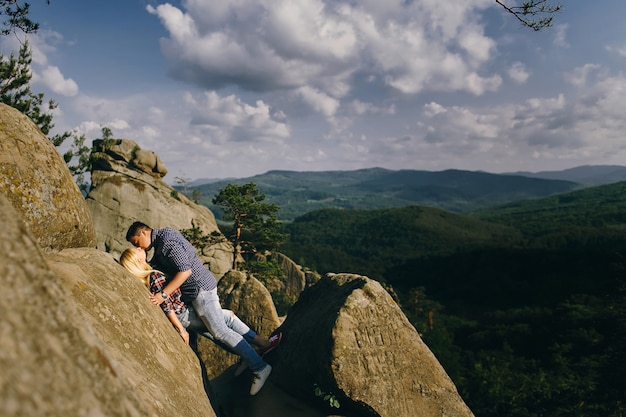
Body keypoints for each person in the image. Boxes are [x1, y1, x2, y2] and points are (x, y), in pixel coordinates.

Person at [126, 221, 276, 395]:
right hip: (195, 292)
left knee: (219, 331)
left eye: (136, 242)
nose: (138, 247)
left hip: (200, 290)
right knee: (220, 324)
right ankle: (254, 350)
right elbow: (157, 267)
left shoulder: (166, 242)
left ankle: (260, 367)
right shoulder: (161, 241)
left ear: (144, 233)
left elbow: (185, 271)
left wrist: (162, 295)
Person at [119, 247, 281, 363]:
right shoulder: (154, 276)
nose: (140, 248)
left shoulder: (151, 273)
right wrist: (181, 330)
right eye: (137, 250)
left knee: (224, 326)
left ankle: (256, 351)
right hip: (184, 315)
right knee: (228, 321)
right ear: (138, 260)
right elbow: (166, 305)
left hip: (186, 312)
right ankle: (259, 362)